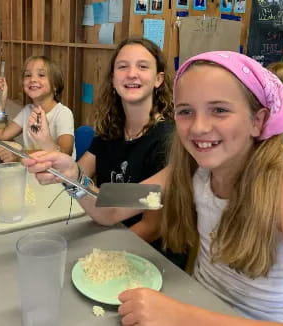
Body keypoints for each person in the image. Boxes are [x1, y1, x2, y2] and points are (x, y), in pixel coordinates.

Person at [23, 51, 283, 324]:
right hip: (195, 306)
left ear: (258, 120)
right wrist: (74, 178)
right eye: (186, 112)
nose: (199, 127)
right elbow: (111, 209)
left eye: (219, 109)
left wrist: (181, 315)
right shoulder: (190, 172)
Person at [24, 37, 178, 263]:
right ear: (113, 79)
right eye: (123, 66)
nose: (132, 73)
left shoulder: (167, 141)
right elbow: (79, 174)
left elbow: (150, 227)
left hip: (146, 258)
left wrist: (97, 256)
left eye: (142, 66)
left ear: (158, 79)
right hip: (103, 227)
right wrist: (47, 142)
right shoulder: (111, 130)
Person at [0, 55, 75, 161]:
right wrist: (0, 100)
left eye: (41, 75)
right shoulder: (27, 110)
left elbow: (65, 153)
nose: (33, 79)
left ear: (55, 85)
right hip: (32, 172)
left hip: (56, 175)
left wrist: (19, 155)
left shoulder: (63, 113)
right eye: (28, 75)